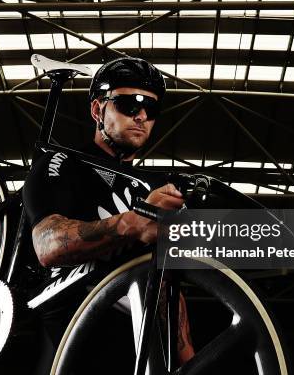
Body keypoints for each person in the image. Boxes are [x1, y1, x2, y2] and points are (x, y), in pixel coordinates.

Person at [22, 57, 194, 370]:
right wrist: (133, 222)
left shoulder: (153, 186)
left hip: (136, 337)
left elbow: (167, 284)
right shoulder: (63, 163)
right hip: (73, 326)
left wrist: (189, 363)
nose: (141, 116)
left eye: (151, 110)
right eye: (129, 105)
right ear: (97, 110)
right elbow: (48, 244)